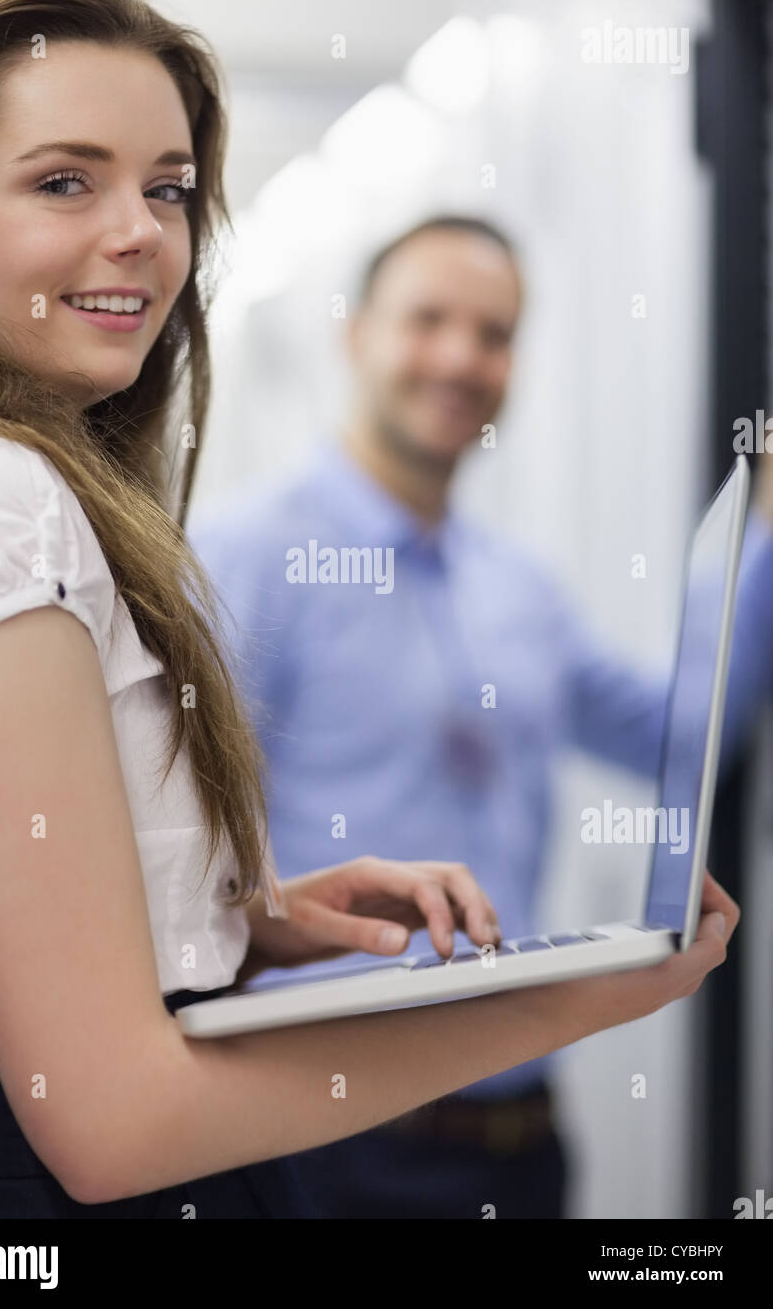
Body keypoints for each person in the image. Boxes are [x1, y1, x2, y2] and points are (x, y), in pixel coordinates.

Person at [0, 0, 740, 1222]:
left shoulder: (31, 498)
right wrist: (577, 993)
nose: (140, 231)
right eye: (63, 179)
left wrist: (252, 920)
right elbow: (107, 1120)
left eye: (169, 188)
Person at [188, 215, 773, 1218]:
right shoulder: (244, 556)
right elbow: (176, 862)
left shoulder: (518, 589)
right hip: (328, 1140)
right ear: (357, 334)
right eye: (428, 320)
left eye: (493, 334)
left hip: (516, 1129)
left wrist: (754, 539)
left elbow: (679, 738)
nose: (461, 357)